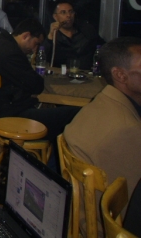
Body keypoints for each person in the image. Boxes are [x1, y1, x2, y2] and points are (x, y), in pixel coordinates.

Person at [63, 37, 141, 233]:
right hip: (102, 228)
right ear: (120, 75)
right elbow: (132, 210)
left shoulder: (102, 101)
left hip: (77, 219)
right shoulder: (128, 130)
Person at [0, 18, 79, 165]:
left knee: (60, 113)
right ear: (26, 36)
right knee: (74, 114)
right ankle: (54, 169)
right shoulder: (11, 53)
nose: (35, 49)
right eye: (36, 43)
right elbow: (36, 85)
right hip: (12, 116)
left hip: (5, 108)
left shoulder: (3, 43)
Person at [44, 0, 105, 70]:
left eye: (71, 12)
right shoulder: (53, 35)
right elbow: (43, 56)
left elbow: (103, 47)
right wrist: (50, 36)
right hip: (60, 73)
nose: (68, 15)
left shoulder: (86, 30)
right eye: (63, 12)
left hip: (86, 73)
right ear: (55, 17)